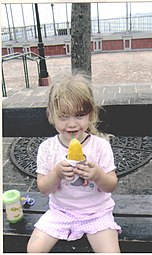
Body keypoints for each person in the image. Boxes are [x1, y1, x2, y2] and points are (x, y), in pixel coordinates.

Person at [27, 73, 121, 253]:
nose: (71, 124)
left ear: (91, 114)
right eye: (63, 116)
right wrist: (56, 173)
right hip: (60, 212)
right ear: (52, 116)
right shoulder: (47, 148)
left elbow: (111, 185)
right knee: (34, 249)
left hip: (96, 212)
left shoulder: (100, 146)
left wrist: (98, 175)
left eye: (79, 115)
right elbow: (44, 189)